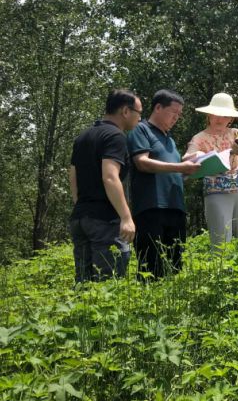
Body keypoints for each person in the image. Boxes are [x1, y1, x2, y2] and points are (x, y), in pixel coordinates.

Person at [68, 89, 141, 282]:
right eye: (139, 113)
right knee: (109, 283)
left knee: (84, 284)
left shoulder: (83, 136)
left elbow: (73, 174)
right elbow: (110, 176)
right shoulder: (115, 136)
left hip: (81, 218)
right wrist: (126, 217)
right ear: (126, 111)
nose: (140, 118)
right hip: (104, 221)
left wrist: (80, 204)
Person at [127, 90, 200, 280]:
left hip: (175, 208)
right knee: (151, 267)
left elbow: (174, 174)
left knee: (176, 266)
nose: (176, 117)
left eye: (179, 115)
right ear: (158, 108)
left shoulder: (170, 140)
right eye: (173, 112)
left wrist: (191, 171)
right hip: (151, 207)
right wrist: (179, 167)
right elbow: (141, 162)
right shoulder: (140, 129)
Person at [185, 93, 238, 248]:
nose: (220, 119)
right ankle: (222, 272)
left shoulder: (236, 133)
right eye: (216, 114)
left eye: (225, 115)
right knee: (221, 241)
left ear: (231, 118)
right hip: (216, 191)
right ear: (209, 115)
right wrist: (197, 155)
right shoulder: (199, 138)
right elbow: (186, 160)